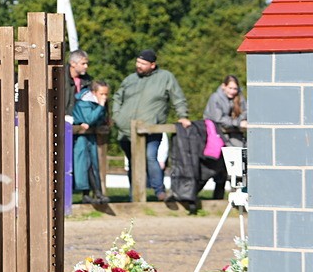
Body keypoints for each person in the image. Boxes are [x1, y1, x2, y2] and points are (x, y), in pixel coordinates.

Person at [112, 49, 190, 200]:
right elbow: (117, 97)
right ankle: (133, 196)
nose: (138, 65)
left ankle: (159, 191)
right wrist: (117, 116)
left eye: (143, 63)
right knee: (133, 163)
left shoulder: (165, 77)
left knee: (150, 157)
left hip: (151, 129)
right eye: (138, 62)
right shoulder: (130, 79)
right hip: (126, 131)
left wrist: (183, 116)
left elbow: (178, 97)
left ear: (153, 65)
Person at [203, 75, 248, 199]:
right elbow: (218, 119)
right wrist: (238, 123)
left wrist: (238, 122)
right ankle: (218, 198)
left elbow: (245, 113)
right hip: (217, 136)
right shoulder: (215, 98)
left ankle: (239, 198)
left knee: (238, 167)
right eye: (230, 88)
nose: (232, 91)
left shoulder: (240, 98)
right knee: (218, 169)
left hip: (235, 136)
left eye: (235, 88)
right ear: (224, 86)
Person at [73, 81, 110, 204]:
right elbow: (90, 118)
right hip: (81, 137)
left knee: (93, 165)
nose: (104, 97)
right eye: (102, 94)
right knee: (84, 165)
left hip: (91, 136)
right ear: (94, 93)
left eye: (106, 94)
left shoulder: (95, 102)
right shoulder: (85, 103)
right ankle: (91, 193)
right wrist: (101, 106)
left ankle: (95, 193)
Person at [64, 50, 93, 116]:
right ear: (73, 63)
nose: (86, 66)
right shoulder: (60, 78)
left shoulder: (87, 81)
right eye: (83, 63)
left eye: (86, 63)